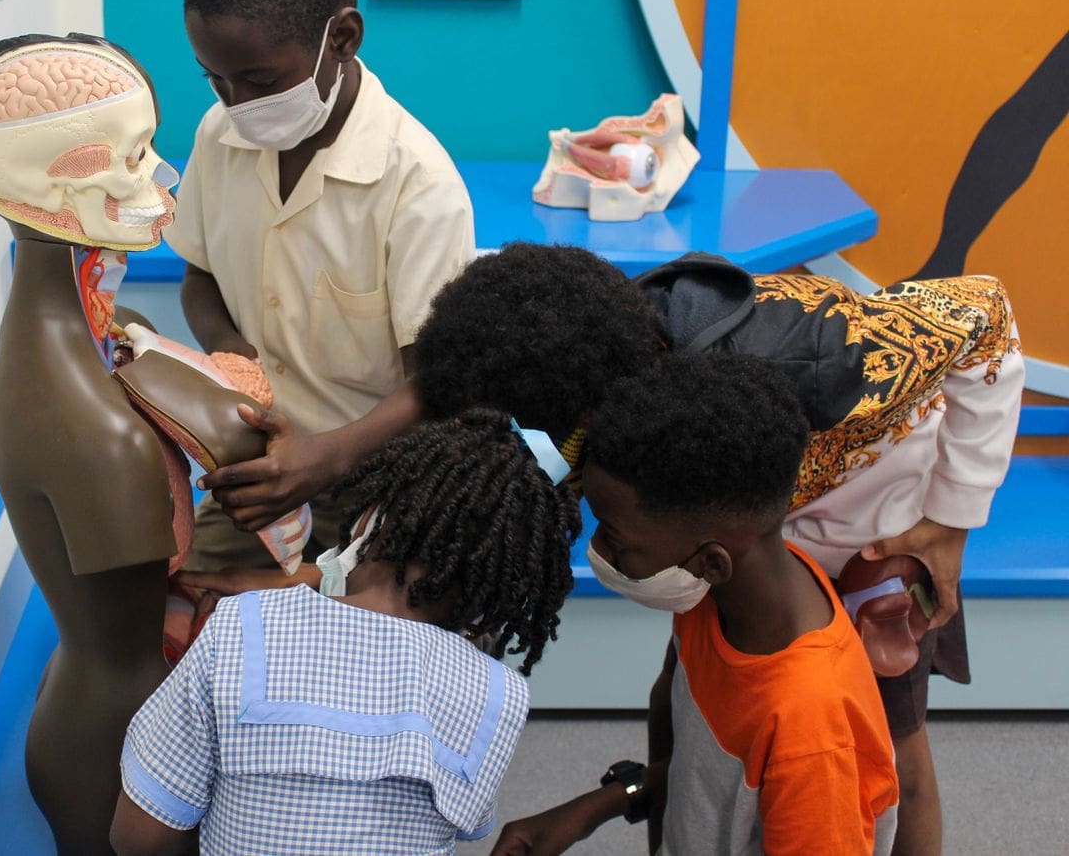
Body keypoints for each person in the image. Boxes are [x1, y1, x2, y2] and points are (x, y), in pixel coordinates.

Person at [414, 243, 1023, 855]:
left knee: (886, 751)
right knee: (701, 706)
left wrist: (953, 518)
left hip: (879, 535)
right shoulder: (612, 415)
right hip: (749, 545)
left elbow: (987, 315)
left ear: (585, 405)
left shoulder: (813, 349)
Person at [109, 410, 582, 856]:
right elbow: (467, 824)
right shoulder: (499, 694)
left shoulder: (239, 627)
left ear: (369, 516)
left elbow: (138, 836)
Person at [165, 0, 474, 570]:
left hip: (384, 484)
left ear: (343, 38)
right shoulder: (219, 136)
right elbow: (200, 277)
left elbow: (439, 388)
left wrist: (323, 458)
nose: (237, 107)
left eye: (261, 80)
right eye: (215, 80)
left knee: (359, 653)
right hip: (263, 468)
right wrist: (233, 356)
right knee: (183, 617)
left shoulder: (416, 184)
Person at [491, 354, 899, 854]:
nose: (598, 550)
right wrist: (597, 807)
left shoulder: (812, 727)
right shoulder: (721, 596)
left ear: (712, 562)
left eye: (615, 538)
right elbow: (706, 768)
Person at [0, 33, 183, 852]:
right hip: (114, 758)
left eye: (150, 146)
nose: (159, 177)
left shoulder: (59, 340)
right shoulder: (100, 436)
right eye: (125, 157)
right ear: (31, 185)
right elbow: (134, 639)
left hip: (88, 706)